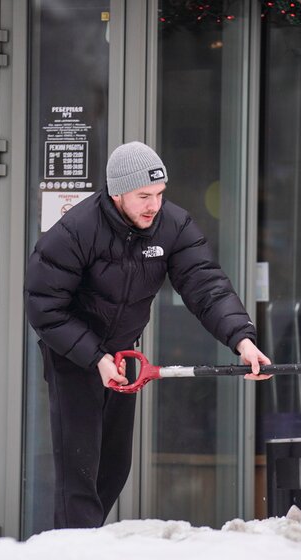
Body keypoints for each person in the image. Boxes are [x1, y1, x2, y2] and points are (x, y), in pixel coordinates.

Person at [24, 141, 271, 529]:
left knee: (114, 468)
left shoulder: (172, 226)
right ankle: (74, 548)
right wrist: (95, 357)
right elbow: (44, 307)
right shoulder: (76, 231)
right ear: (118, 192)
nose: (153, 205)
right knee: (79, 474)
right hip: (74, 356)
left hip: (123, 356)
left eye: (159, 194)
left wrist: (242, 339)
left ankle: (83, 540)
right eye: (143, 196)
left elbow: (207, 287)